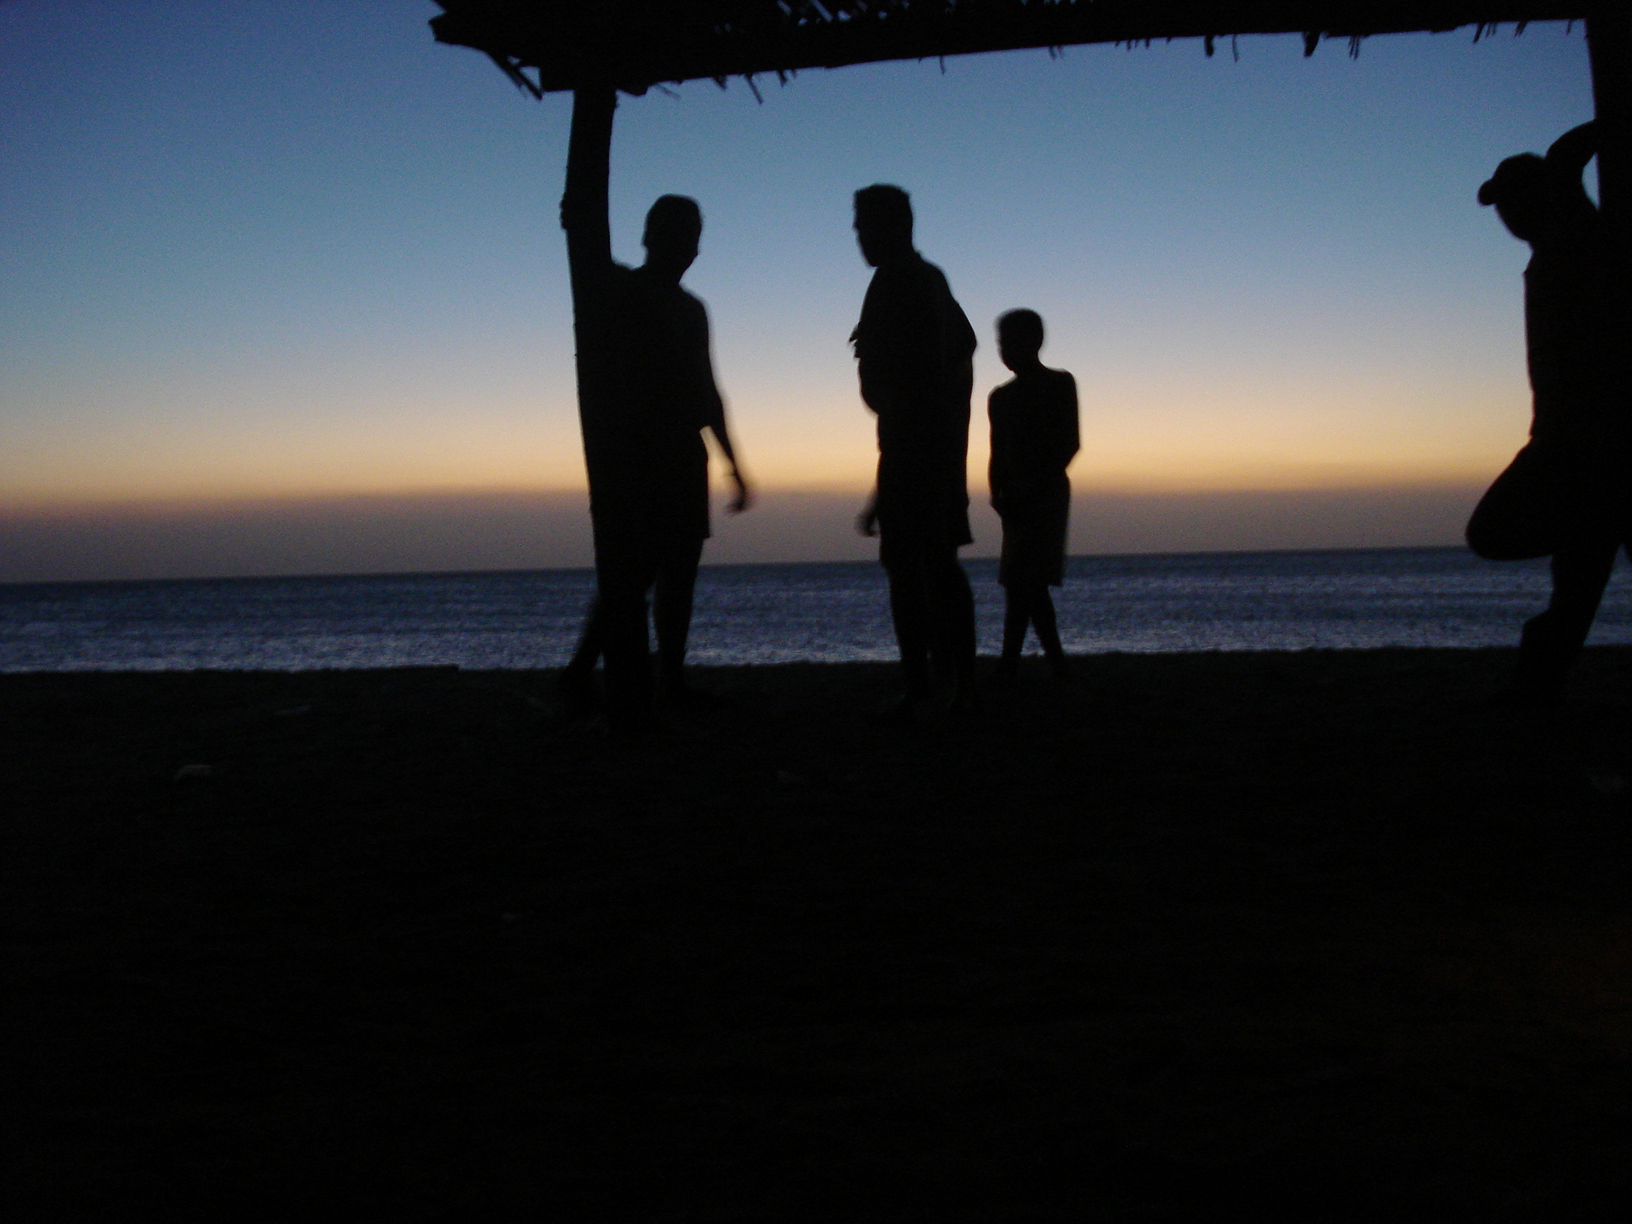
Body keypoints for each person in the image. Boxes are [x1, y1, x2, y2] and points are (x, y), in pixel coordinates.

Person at [557, 195, 751, 724]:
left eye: (693, 236)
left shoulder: (691, 309)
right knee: (633, 572)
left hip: (685, 454)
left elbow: (708, 389)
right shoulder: (624, 292)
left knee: (679, 572)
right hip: (639, 453)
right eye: (676, 234)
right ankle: (581, 672)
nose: (687, 247)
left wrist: (733, 463)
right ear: (650, 237)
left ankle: (668, 680)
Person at [1465, 121, 1628, 703]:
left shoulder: (1582, 237)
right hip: (1563, 443)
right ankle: (1540, 691)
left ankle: (1540, 691)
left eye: (1513, 200)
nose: (1506, 213)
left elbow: (1569, 156)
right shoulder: (1559, 248)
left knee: (1516, 543)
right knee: (1568, 575)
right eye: (1501, 204)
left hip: (1584, 442)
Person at [850, 184, 978, 719]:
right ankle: (942, 682)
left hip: (919, 447)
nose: (858, 236)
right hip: (922, 446)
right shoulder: (922, 280)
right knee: (926, 565)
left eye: (864, 224)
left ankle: (937, 684)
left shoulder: (905, 282)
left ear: (894, 225)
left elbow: (928, 372)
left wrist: (900, 466)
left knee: (918, 568)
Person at [987, 309, 1079, 680]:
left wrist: (1033, 485)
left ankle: (1022, 662)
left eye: (1011, 342)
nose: (1005, 350)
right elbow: (996, 451)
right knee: (1020, 581)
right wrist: (997, 493)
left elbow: (1069, 443)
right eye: (1001, 343)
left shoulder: (1060, 384)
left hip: (1045, 494)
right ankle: (1044, 662)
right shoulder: (1000, 397)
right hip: (1015, 497)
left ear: (1034, 342)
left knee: (1027, 581)